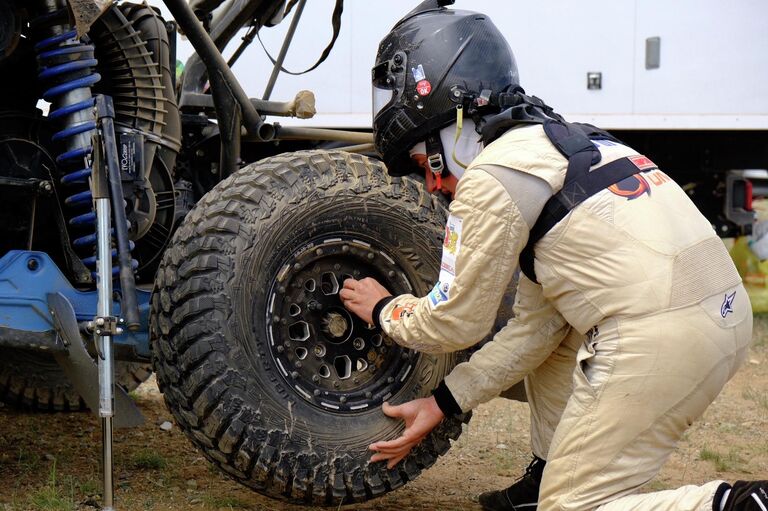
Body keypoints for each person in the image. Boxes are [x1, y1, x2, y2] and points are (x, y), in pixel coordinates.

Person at [338, 1, 767, 510]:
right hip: (720, 315)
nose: (434, 185)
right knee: (556, 335)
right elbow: (534, 328)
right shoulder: (567, 143)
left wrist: (387, 309)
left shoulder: (493, 178)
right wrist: (443, 403)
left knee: (572, 509)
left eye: (422, 163)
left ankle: (743, 504)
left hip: (661, 332)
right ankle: (547, 479)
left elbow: (453, 322)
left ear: (446, 127)